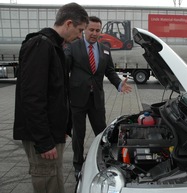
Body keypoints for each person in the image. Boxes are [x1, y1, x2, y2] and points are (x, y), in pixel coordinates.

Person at [13, 3, 88, 193]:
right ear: (68, 23)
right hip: (41, 138)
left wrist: (62, 127)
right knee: (48, 182)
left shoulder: (53, 46)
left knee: (54, 179)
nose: (80, 36)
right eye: (80, 31)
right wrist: (44, 141)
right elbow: (32, 98)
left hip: (50, 132)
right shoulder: (40, 45)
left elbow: (56, 93)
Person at [64, 16, 132, 179]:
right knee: (78, 135)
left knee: (101, 133)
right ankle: (78, 165)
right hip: (78, 99)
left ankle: (103, 161)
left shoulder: (105, 49)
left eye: (97, 30)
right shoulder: (73, 47)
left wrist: (119, 84)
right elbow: (63, 70)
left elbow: (109, 71)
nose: (94, 33)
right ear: (85, 30)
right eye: (91, 30)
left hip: (97, 100)